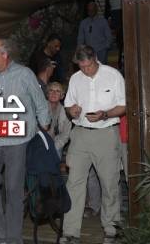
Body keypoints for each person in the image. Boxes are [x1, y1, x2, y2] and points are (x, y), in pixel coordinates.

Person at [0, 38, 50, 244]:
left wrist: (45, 126)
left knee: (13, 189)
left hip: (18, 140)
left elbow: (40, 103)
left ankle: (13, 238)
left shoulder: (24, 74)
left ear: (5, 55)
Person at [60, 45, 126, 244]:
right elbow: (69, 104)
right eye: (81, 67)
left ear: (95, 58)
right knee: (74, 183)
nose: (86, 70)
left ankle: (111, 229)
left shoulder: (113, 75)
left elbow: (123, 106)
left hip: (106, 134)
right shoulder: (75, 78)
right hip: (80, 134)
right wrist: (72, 111)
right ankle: (70, 232)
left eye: (88, 66)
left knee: (109, 183)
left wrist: (105, 114)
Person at [46, 82, 72, 157]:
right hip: (39, 144)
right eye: (51, 90)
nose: (54, 93)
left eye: (57, 91)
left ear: (62, 96)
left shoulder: (66, 112)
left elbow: (66, 134)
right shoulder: (40, 108)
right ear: (47, 94)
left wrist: (55, 147)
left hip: (56, 144)